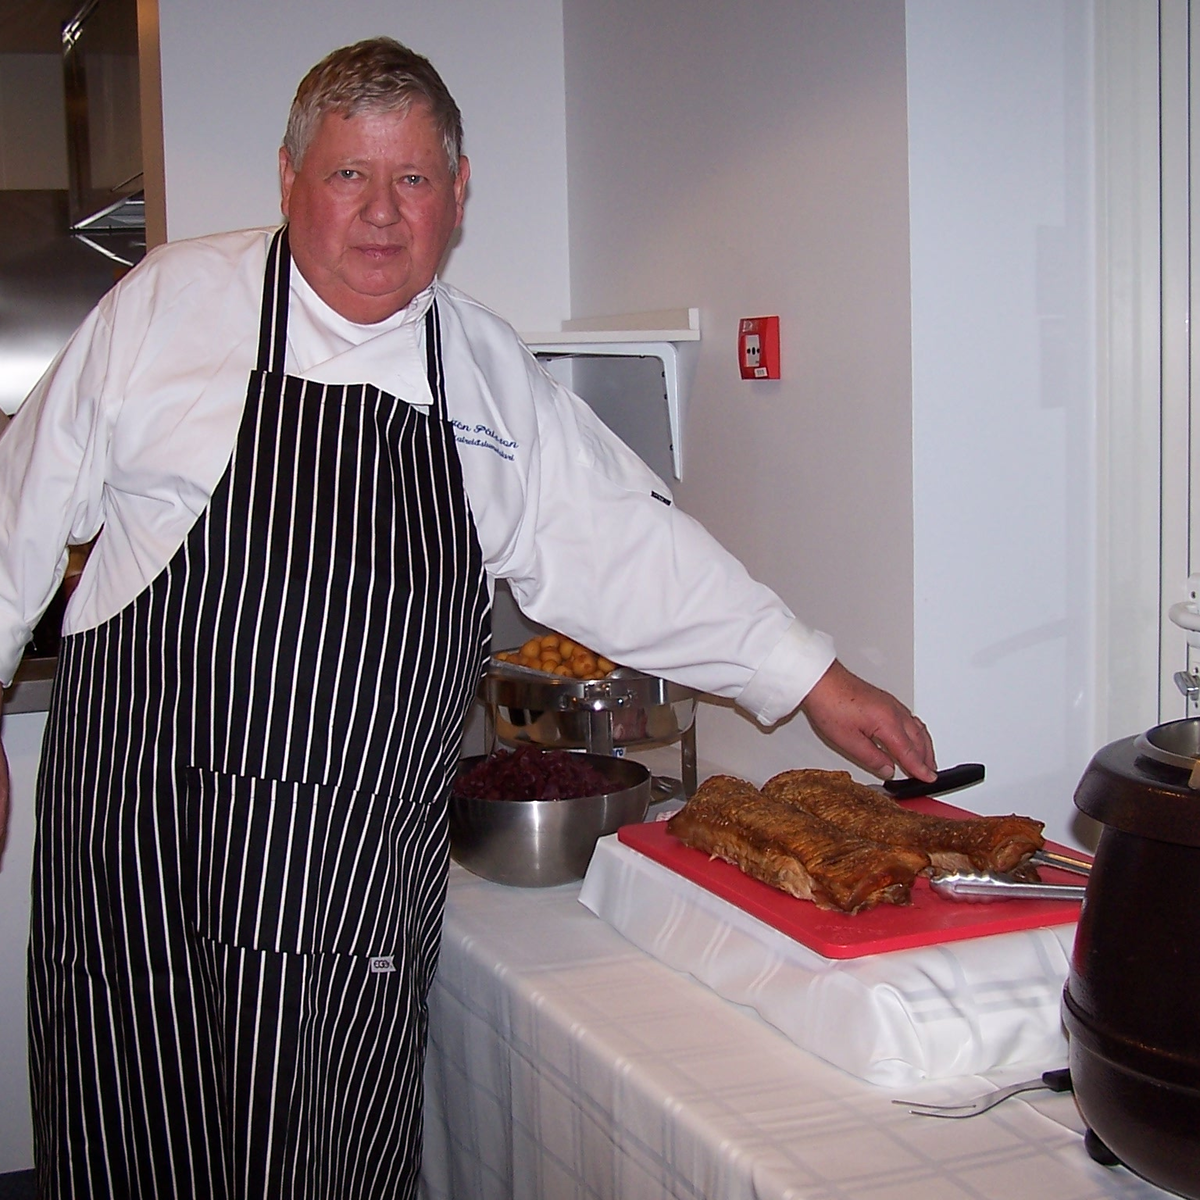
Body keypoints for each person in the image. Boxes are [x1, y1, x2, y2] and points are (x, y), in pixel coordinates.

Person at [0, 36, 936, 1200]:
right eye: (348, 174)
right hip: (150, 854)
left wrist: (812, 676)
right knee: (140, 1137)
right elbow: (17, 509)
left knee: (326, 1157)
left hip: (343, 882)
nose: (380, 213)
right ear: (290, 179)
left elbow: (626, 549)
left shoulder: (485, 374)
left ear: (458, 192)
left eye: (413, 179)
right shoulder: (168, 307)